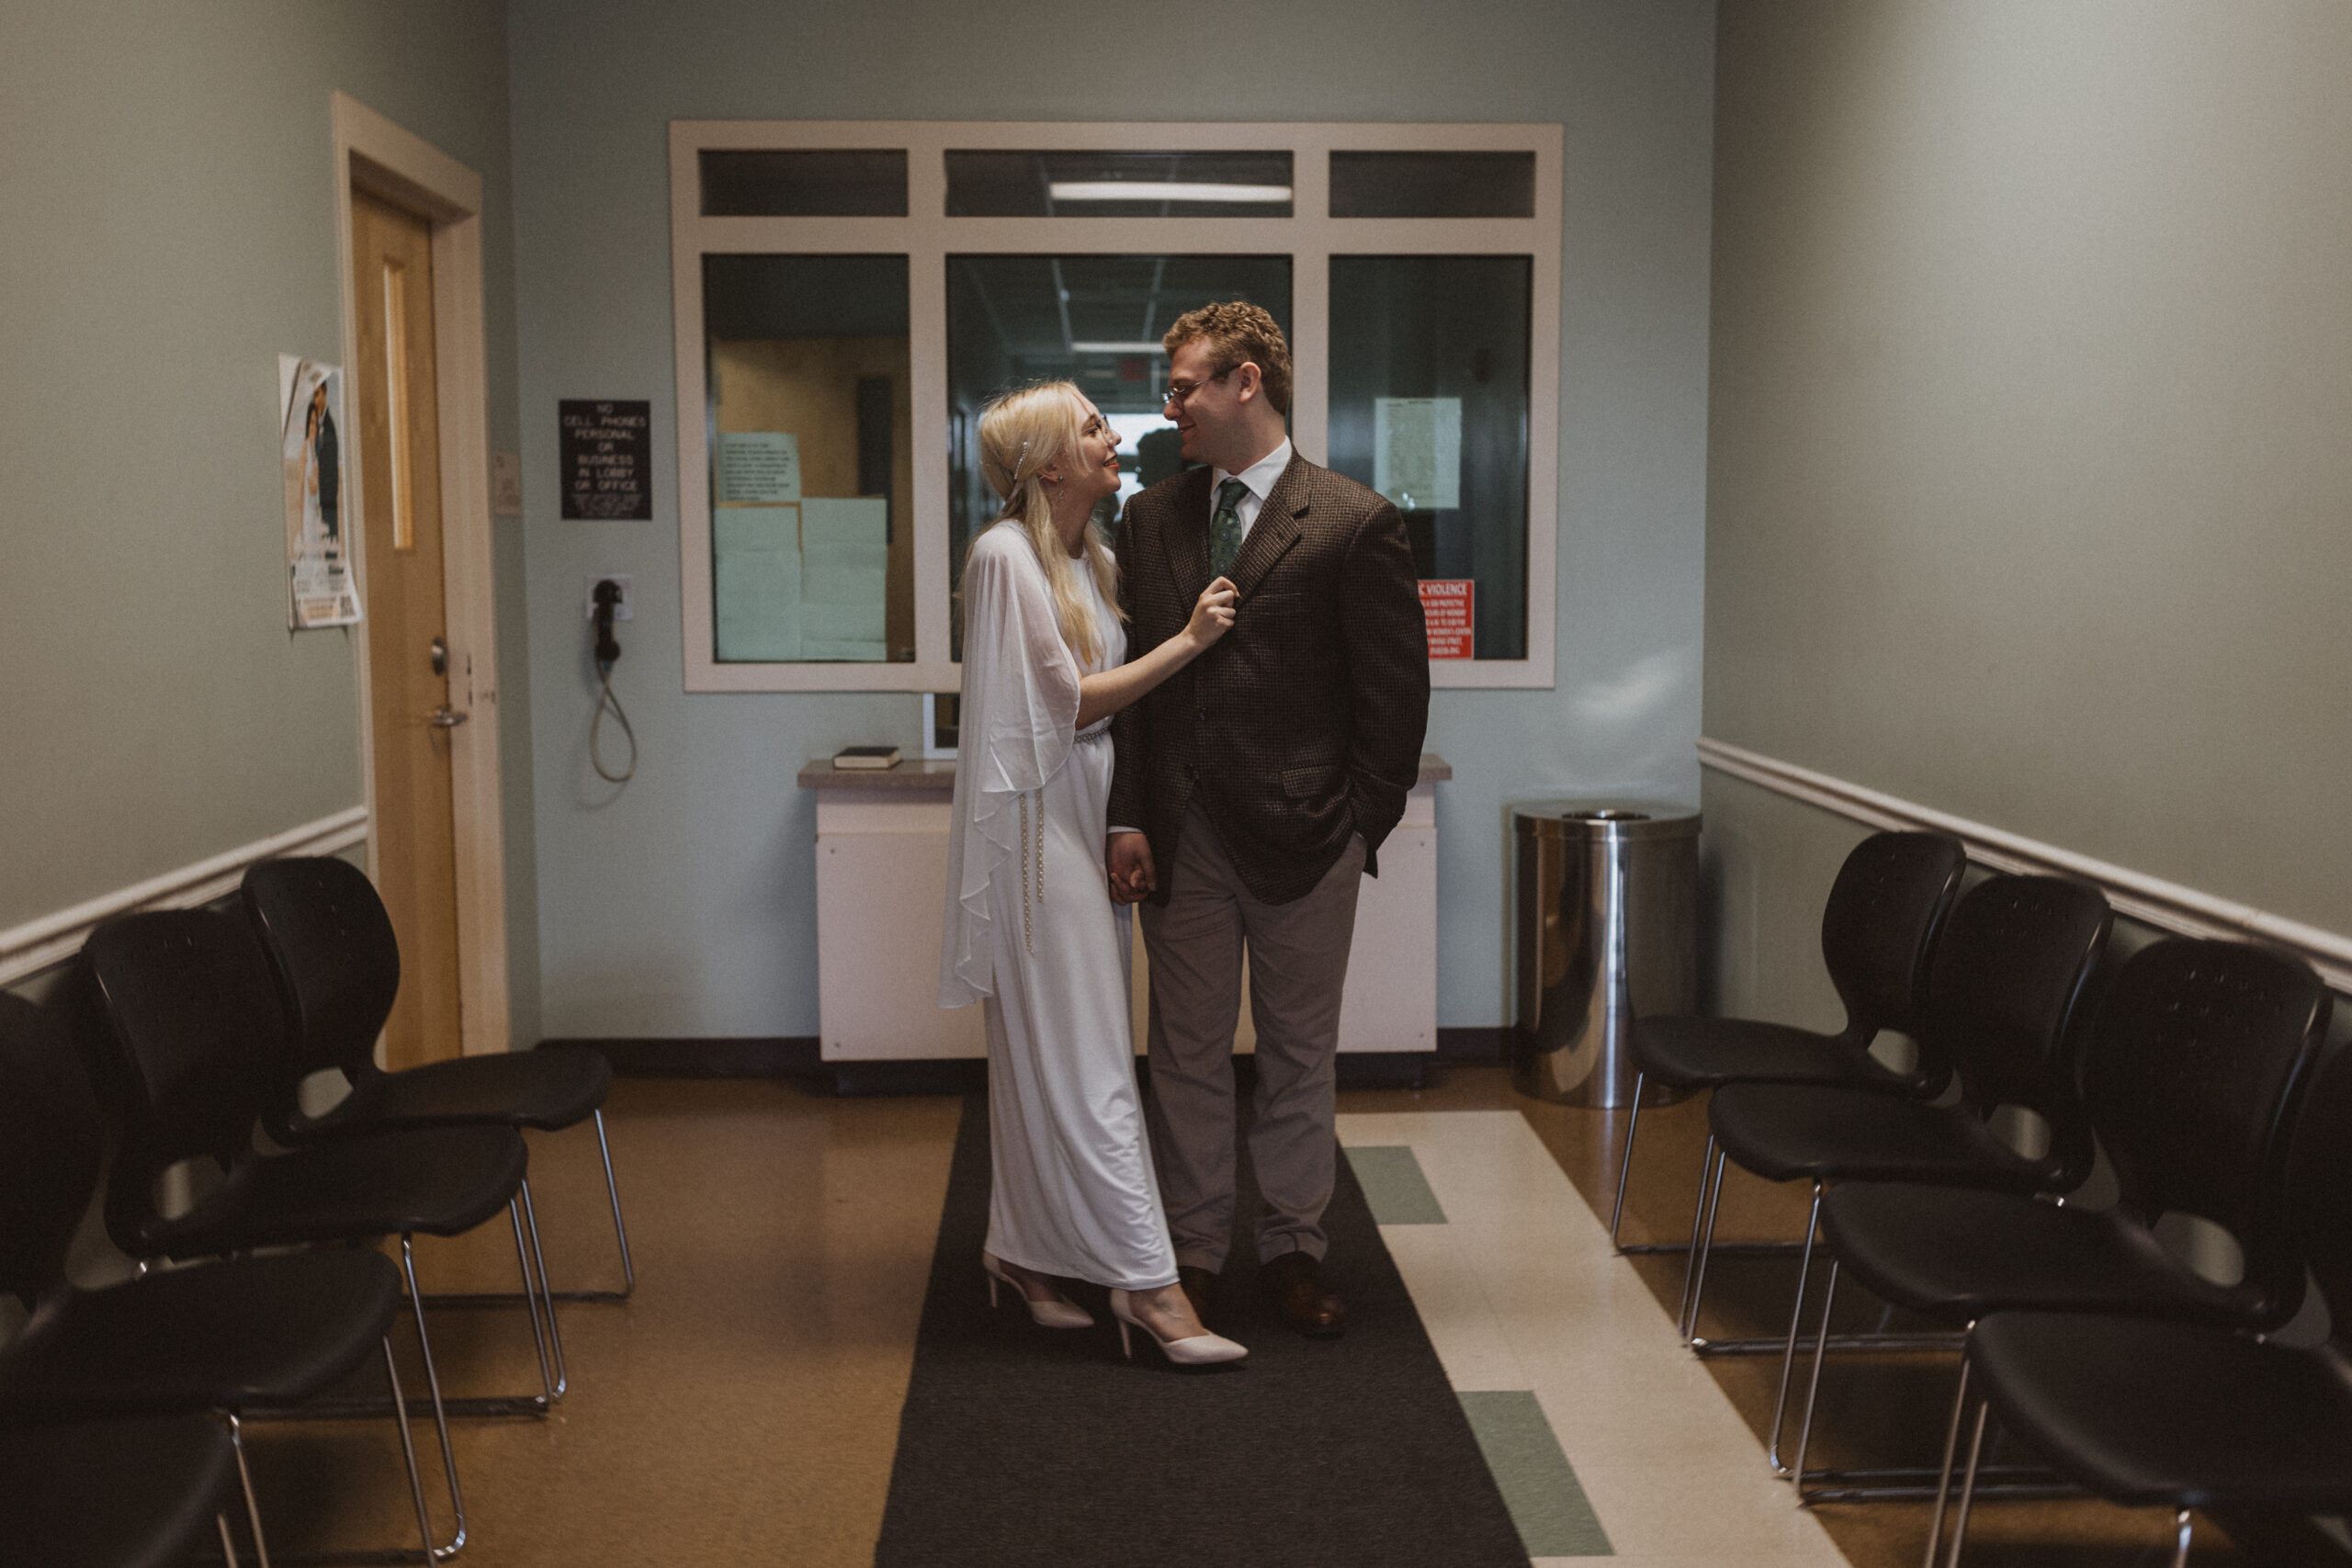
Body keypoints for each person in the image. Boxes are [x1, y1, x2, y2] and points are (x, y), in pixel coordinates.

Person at [1106, 302, 1430, 1339]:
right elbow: (1134, 689)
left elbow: (1393, 700)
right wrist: (1128, 818)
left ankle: (1294, 1246)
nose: (1172, 407)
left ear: (1247, 382)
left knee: (1299, 1055)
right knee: (1184, 1055)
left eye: (1188, 385)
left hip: (1307, 841)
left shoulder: (1352, 520)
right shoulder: (1150, 518)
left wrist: (1354, 830)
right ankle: (1194, 1253)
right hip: (1182, 834)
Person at [938, 381, 1249, 1367]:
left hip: (1078, 813)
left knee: (1057, 1049)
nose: (1113, 437)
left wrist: (1122, 818)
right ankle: (1150, 1289)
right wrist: (1190, 641)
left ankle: (1023, 1254)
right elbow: (1064, 706)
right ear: (1046, 465)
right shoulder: (1004, 557)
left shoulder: (1086, 556)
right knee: (1093, 1064)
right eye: (1090, 427)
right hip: (1033, 835)